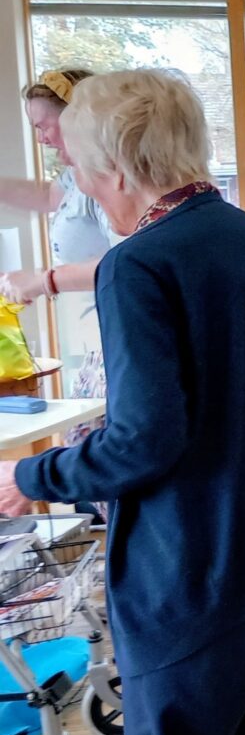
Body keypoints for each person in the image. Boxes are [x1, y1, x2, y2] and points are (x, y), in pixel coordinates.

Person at [0, 69, 245, 735]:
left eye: (82, 170)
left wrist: (36, 477)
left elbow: (145, 439)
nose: (82, 185)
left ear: (116, 169)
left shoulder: (138, 263)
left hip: (205, 569)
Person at [0, 69, 113, 520]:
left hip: (116, 337)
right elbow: (46, 195)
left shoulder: (104, 184)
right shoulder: (73, 181)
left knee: (99, 452)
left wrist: (43, 279)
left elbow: (127, 264)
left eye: (46, 125)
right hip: (97, 338)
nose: (44, 138)